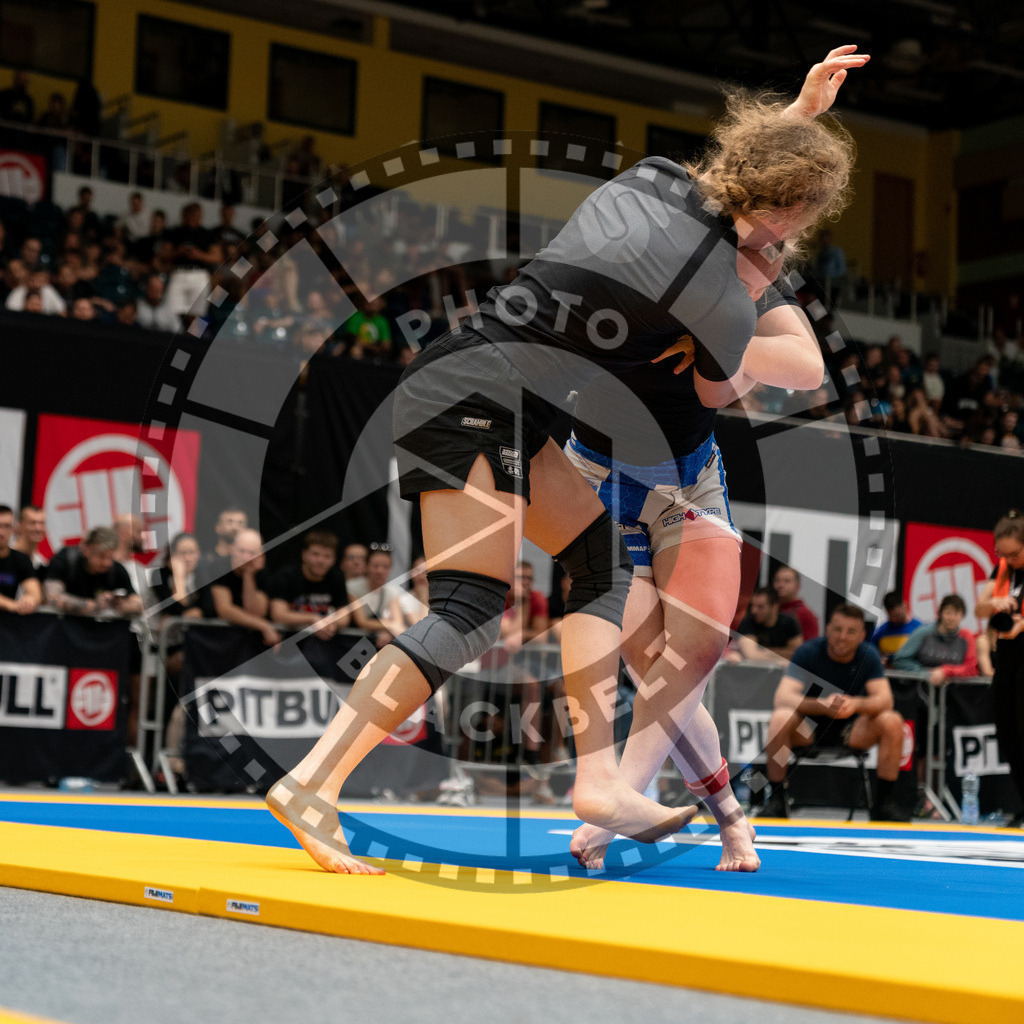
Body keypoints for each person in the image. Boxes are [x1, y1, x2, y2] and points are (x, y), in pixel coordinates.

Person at [267, 46, 866, 873]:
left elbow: (730, 176)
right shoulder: (722, 300)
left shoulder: (653, 177)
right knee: (470, 611)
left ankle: (598, 785)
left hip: (478, 386)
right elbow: (722, 390)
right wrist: (743, 343)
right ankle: (312, 782)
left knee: (599, 566)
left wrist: (799, 114)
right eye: (800, 222)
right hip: (479, 402)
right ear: (793, 216)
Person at [761, 604, 908, 821]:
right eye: (838, 629)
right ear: (827, 629)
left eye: (851, 632)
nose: (842, 637)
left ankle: (884, 804)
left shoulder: (869, 654)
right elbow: (782, 697)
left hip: (852, 729)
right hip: (809, 727)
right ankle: (775, 799)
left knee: (892, 720)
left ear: (861, 636)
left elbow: (885, 699)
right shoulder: (807, 652)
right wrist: (822, 705)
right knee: (780, 717)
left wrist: (855, 704)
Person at [975, 510, 1024, 828]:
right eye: (1002, 553)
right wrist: (994, 604)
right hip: (1006, 657)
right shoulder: (1004, 569)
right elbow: (979, 607)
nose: (1008, 558)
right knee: (1007, 733)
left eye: (1015, 553)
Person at [203, 529, 281, 649]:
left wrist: (248, 575)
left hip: (248, 639)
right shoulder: (219, 567)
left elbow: (256, 612)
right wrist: (263, 625)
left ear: (261, 555)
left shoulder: (261, 573)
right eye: (241, 551)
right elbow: (224, 609)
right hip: (217, 638)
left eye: (252, 553)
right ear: (232, 549)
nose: (246, 557)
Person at [44, 526, 142, 618]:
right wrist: (94, 605)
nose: (106, 563)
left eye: (110, 557)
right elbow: (52, 597)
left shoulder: (116, 569)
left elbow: (138, 603)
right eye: (101, 556)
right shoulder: (66, 560)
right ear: (85, 549)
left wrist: (119, 604)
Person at [268, 531, 351, 637]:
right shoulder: (287, 575)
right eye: (315, 554)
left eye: (327, 556)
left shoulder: (336, 577)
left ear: (334, 559)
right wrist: (313, 619)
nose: (320, 561)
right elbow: (278, 614)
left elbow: (344, 617)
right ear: (304, 554)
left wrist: (329, 623)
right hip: (287, 638)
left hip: (322, 640)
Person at [891, 594, 978, 684]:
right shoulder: (923, 632)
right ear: (940, 613)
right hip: (921, 690)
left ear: (962, 615)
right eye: (948, 613)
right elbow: (900, 659)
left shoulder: (967, 636)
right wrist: (925, 674)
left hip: (954, 693)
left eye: (956, 613)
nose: (951, 618)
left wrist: (945, 672)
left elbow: (971, 669)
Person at [727, 586, 802, 664]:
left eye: (760, 607)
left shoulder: (789, 622)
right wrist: (784, 655)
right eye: (752, 605)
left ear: (774, 606)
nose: (754, 611)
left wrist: (763, 651)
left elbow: (797, 654)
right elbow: (752, 655)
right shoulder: (748, 623)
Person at [351, 545, 405, 647]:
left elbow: (398, 622)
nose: (380, 571)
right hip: (353, 643)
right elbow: (361, 621)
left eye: (385, 567)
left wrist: (387, 631)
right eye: (375, 566)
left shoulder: (392, 591)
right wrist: (389, 626)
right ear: (366, 567)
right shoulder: (352, 587)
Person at [0, 505, 41, 614]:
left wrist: (30, 600)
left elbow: (35, 592)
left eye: (6, 526)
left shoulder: (20, 559)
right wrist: (12, 605)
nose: (1, 532)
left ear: (13, 529)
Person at [871, 590, 923, 665]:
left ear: (904, 606)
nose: (895, 619)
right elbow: (871, 653)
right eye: (892, 616)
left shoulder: (919, 628)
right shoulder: (880, 632)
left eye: (898, 615)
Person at [772, 565, 820, 641]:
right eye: (777, 580)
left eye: (787, 581)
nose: (780, 585)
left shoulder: (806, 615)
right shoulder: (769, 609)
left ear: (797, 586)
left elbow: (810, 649)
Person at [13, 505, 48, 569]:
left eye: (41, 523)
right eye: (32, 523)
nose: (38, 528)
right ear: (19, 526)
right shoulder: (5, 556)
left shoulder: (41, 563)